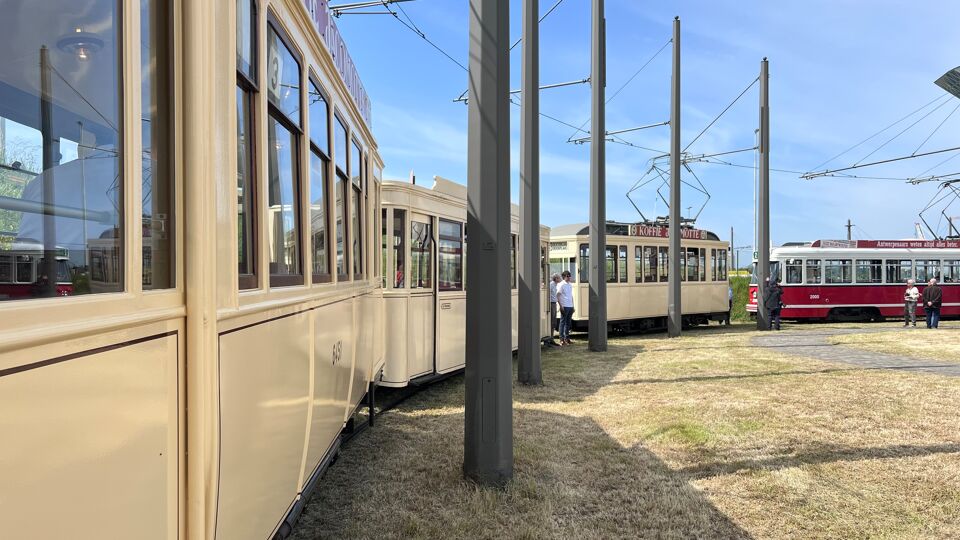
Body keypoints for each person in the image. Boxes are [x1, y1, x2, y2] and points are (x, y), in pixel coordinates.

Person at [556, 270, 575, 345]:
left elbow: (571, 295)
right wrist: (561, 306)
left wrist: (573, 305)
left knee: (568, 323)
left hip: (570, 305)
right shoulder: (561, 284)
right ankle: (561, 339)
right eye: (568, 276)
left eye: (570, 275)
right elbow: (558, 295)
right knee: (562, 322)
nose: (569, 277)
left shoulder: (570, 284)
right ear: (564, 277)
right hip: (564, 305)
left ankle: (567, 338)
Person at [548, 273, 561, 346]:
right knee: (552, 321)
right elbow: (548, 295)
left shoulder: (555, 285)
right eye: (559, 278)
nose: (560, 279)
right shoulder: (551, 285)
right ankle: (550, 339)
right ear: (556, 278)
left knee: (554, 322)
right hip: (551, 304)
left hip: (554, 303)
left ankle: (552, 338)